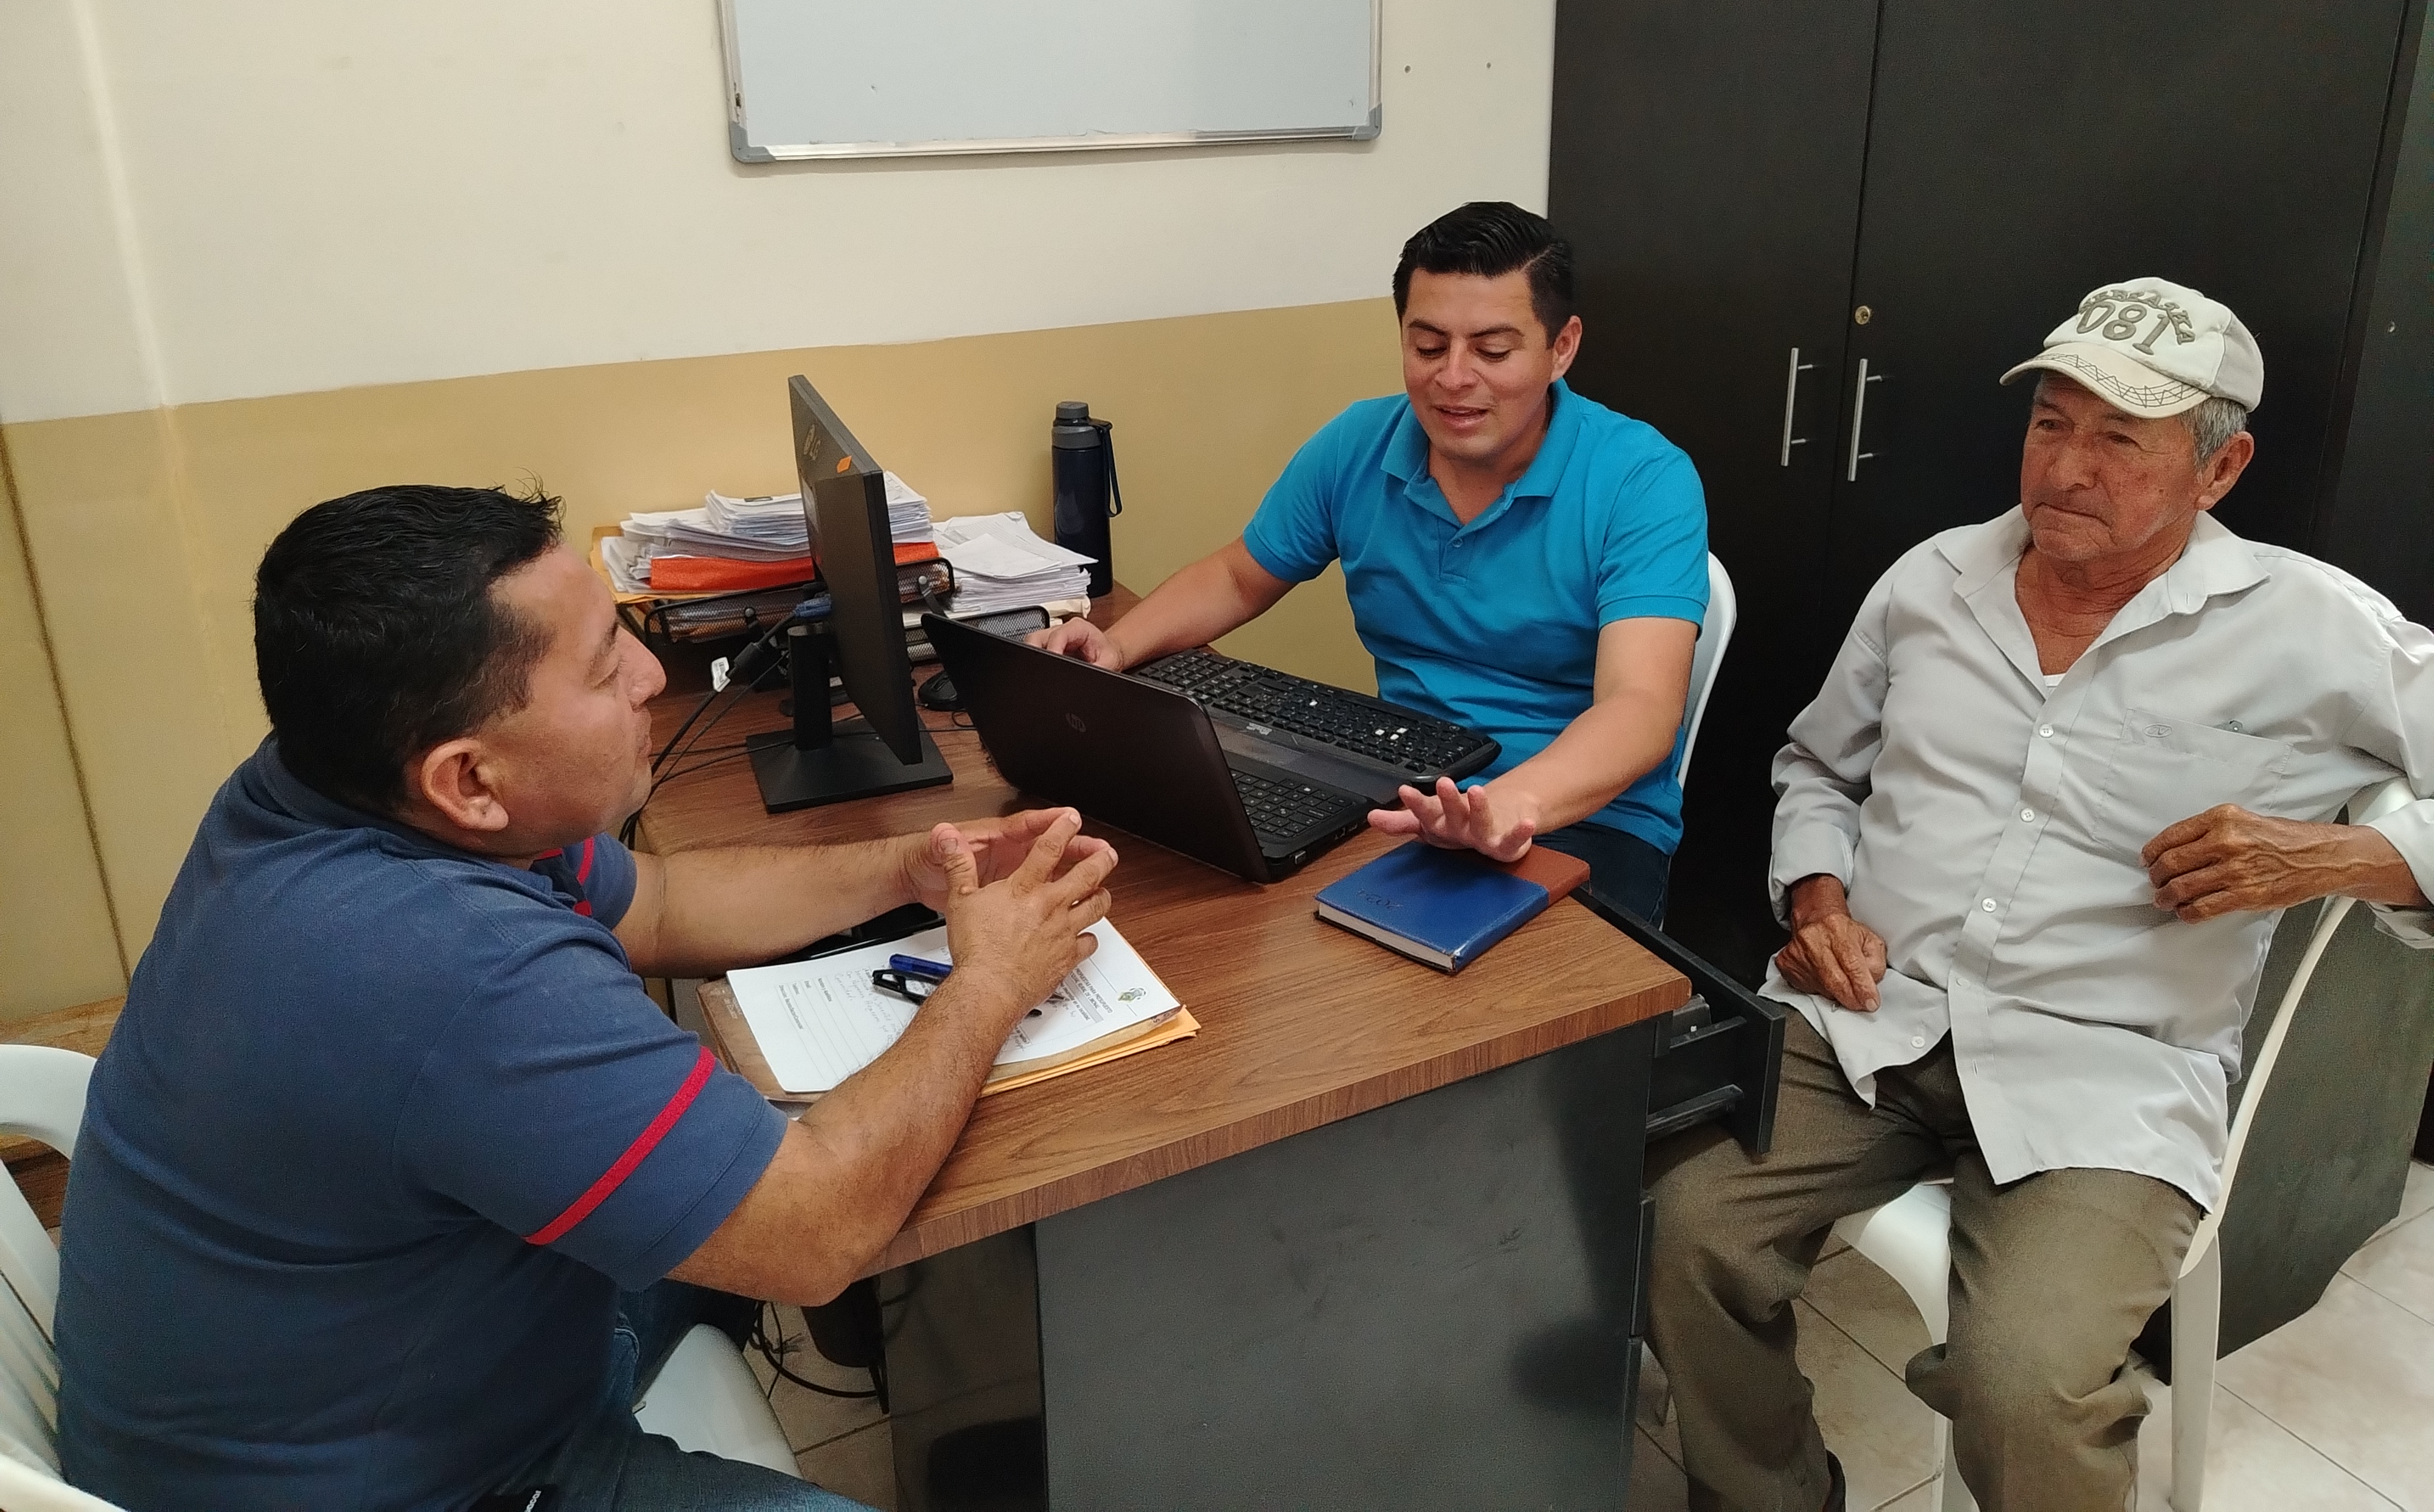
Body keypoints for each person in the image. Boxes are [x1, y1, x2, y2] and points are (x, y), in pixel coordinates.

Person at [55, 484, 1119, 1512]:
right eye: (607, 666)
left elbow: (658, 901)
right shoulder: (451, 967)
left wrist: (909, 868)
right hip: (411, 1482)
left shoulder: (333, 783)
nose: (652, 678)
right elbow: (815, 1234)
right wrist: (991, 980)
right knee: (800, 1218)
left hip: (366, 1360)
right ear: (469, 780)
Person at [1645, 279, 2434, 1512]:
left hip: (2108, 1069)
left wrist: (2340, 859)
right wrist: (1817, 899)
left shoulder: (2311, 627)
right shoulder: (1932, 582)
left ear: (2219, 470)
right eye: (2050, 422)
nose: (2065, 467)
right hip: (1873, 1015)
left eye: (2119, 438)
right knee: (1676, 1224)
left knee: (2024, 1379)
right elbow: (1818, 767)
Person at [1039, 200, 1709, 925]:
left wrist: (1511, 803)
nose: (1453, 378)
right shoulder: (1359, 442)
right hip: (1403, 785)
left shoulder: (1642, 479)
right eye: (1428, 347)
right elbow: (1237, 575)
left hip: (1582, 817)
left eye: (1492, 351)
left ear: (1562, 347)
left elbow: (1640, 706)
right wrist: (1115, 647)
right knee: (1186, 893)